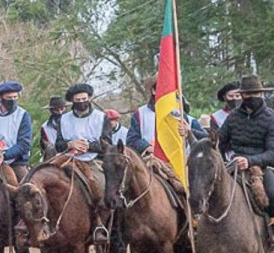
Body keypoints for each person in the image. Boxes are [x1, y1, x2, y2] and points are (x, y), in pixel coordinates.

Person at [215, 74, 274, 253]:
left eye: (255, 93)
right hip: (234, 166)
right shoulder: (233, 117)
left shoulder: (271, 119)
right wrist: (190, 133)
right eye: (247, 93)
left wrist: (250, 160)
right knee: (212, 191)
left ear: (261, 94)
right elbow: (219, 142)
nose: (251, 97)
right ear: (241, 95)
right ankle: (206, 245)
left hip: (264, 167)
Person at [54, 83, 115, 242]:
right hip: (67, 159)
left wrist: (89, 146)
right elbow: (58, 144)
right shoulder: (63, 119)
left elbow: (107, 143)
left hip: (92, 160)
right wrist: (70, 144)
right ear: (72, 101)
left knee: (100, 187)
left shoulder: (101, 118)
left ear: (89, 99)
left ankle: (99, 224)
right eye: (78, 100)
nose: (82, 102)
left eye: (84, 99)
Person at [126, 77, 207, 154]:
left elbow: (206, 139)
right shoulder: (140, 114)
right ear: (154, 91)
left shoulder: (183, 115)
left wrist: (189, 132)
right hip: (151, 163)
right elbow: (132, 140)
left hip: (182, 165)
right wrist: (148, 147)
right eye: (164, 88)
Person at [39, 96, 66, 162]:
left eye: (62, 109)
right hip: (53, 158)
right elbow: (44, 147)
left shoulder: (74, 123)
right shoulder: (45, 127)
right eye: (57, 110)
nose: (60, 112)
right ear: (51, 110)